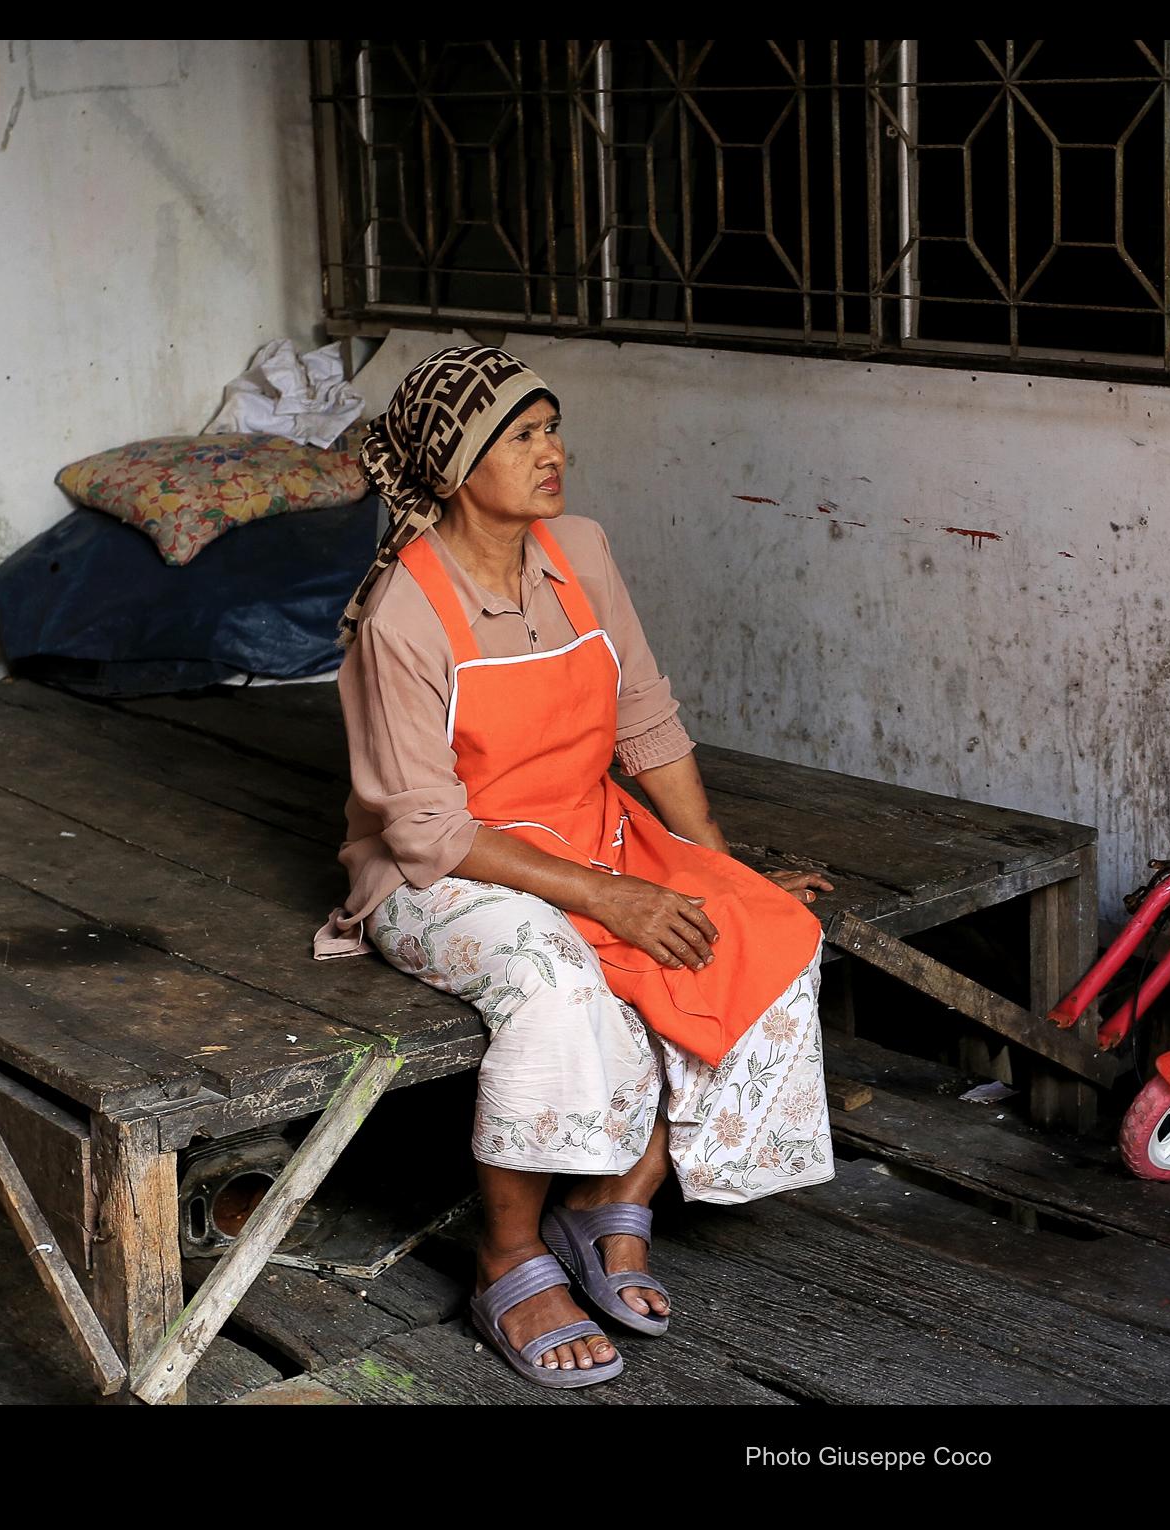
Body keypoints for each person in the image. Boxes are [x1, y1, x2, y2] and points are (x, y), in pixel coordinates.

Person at [315, 347, 833, 1389]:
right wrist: (608, 898)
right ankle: (507, 1254)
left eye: (552, 427)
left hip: (588, 833)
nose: (555, 450)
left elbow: (643, 720)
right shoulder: (404, 613)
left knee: (764, 936)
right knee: (554, 976)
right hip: (441, 877)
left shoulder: (580, 549)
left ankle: (606, 1198)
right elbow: (423, 831)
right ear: (459, 465)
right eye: (525, 435)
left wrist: (708, 870)